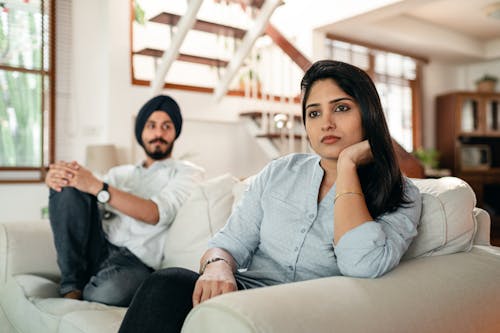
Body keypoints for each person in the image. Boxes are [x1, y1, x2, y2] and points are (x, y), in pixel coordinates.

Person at [118, 60, 422, 332]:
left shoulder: (401, 192)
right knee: (165, 283)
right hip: (245, 294)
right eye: (314, 112)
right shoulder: (280, 172)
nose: (326, 122)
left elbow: (363, 264)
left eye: (341, 108)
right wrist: (218, 267)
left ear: (368, 113)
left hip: (308, 311)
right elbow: (227, 244)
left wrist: (347, 167)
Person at [45, 95, 204, 306]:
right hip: (98, 245)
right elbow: (80, 203)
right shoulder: (120, 174)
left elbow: (155, 213)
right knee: (68, 185)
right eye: (152, 125)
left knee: (109, 293)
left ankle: (88, 287)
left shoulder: (187, 172)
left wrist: (98, 187)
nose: (159, 133)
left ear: (175, 132)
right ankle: (72, 288)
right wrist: (56, 178)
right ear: (141, 132)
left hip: (135, 262)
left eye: (167, 126)